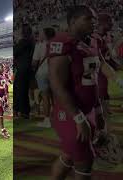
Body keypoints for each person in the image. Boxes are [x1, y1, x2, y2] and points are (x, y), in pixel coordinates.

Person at [48, 6, 105, 180]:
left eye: (94, 19)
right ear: (73, 21)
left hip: (88, 110)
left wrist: (99, 110)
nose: (93, 22)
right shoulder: (62, 42)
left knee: (69, 156)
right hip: (70, 113)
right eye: (88, 18)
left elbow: (92, 80)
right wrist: (79, 118)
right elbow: (57, 85)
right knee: (85, 162)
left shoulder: (90, 42)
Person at [33, 27, 56, 128]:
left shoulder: (39, 45)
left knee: (45, 97)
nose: (39, 35)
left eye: (41, 33)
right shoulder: (57, 44)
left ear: (45, 35)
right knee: (56, 96)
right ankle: (59, 117)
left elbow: (34, 62)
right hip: (55, 71)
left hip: (43, 72)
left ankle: (47, 120)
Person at [14, 24, 35, 119]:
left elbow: (14, 52)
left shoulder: (23, 42)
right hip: (27, 69)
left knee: (19, 91)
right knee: (24, 91)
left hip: (22, 69)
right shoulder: (31, 42)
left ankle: (21, 112)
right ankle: (24, 111)